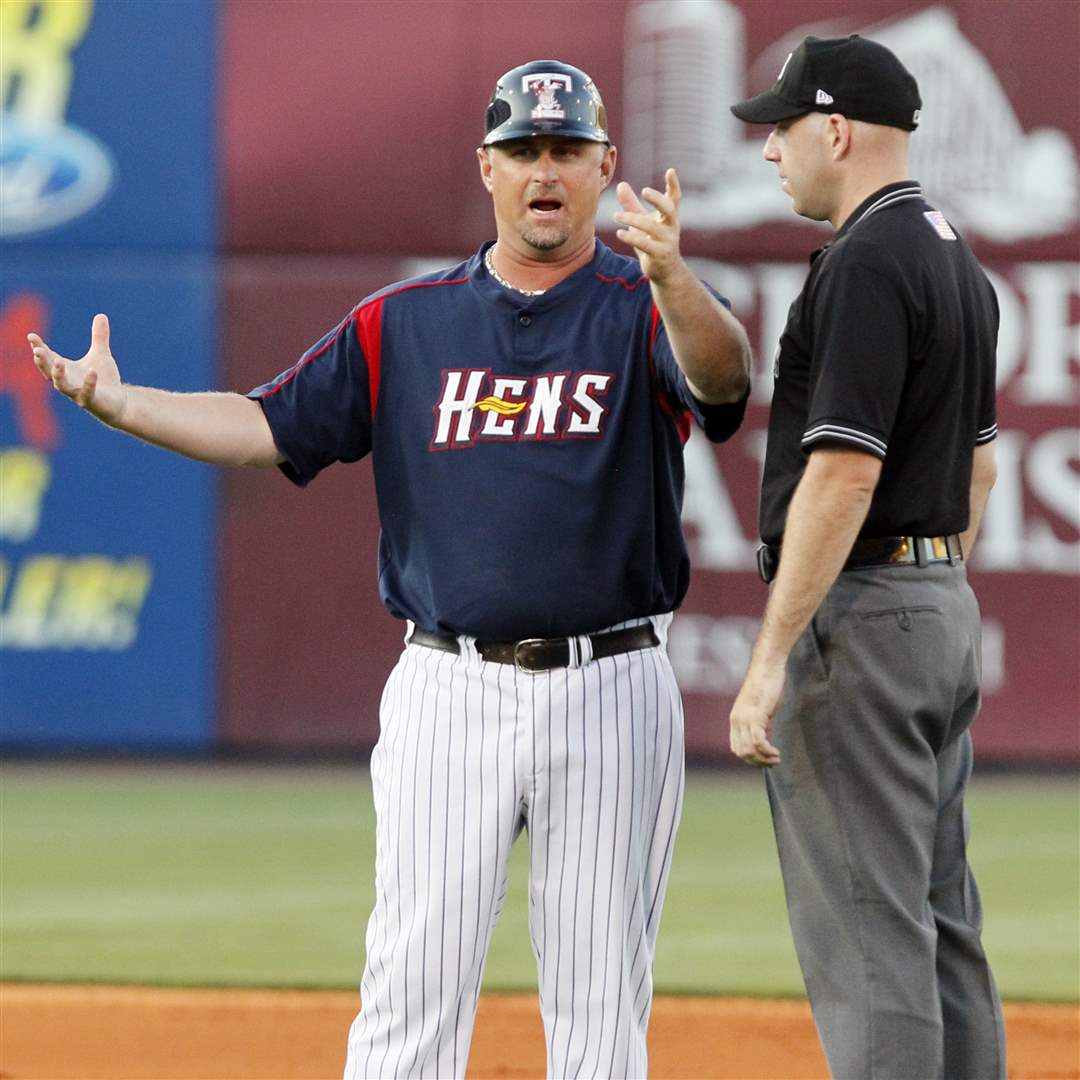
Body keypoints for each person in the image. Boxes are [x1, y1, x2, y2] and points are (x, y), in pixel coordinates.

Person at [29, 59, 751, 1079]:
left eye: (565, 150)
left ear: (604, 168)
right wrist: (123, 403)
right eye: (523, 151)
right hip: (448, 683)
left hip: (612, 684)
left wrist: (677, 277)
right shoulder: (406, 321)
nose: (544, 170)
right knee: (412, 990)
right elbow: (267, 426)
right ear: (487, 170)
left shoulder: (647, 306)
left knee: (599, 1008)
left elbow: (725, 383)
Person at [727, 35, 1005, 1080]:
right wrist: (937, 591)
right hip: (938, 606)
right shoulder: (952, 253)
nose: (770, 153)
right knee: (941, 931)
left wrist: (769, 661)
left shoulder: (869, 260)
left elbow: (842, 476)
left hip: (872, 616)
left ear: (834, 130)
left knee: (871, 941)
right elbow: (977, 471)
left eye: (783, 129)